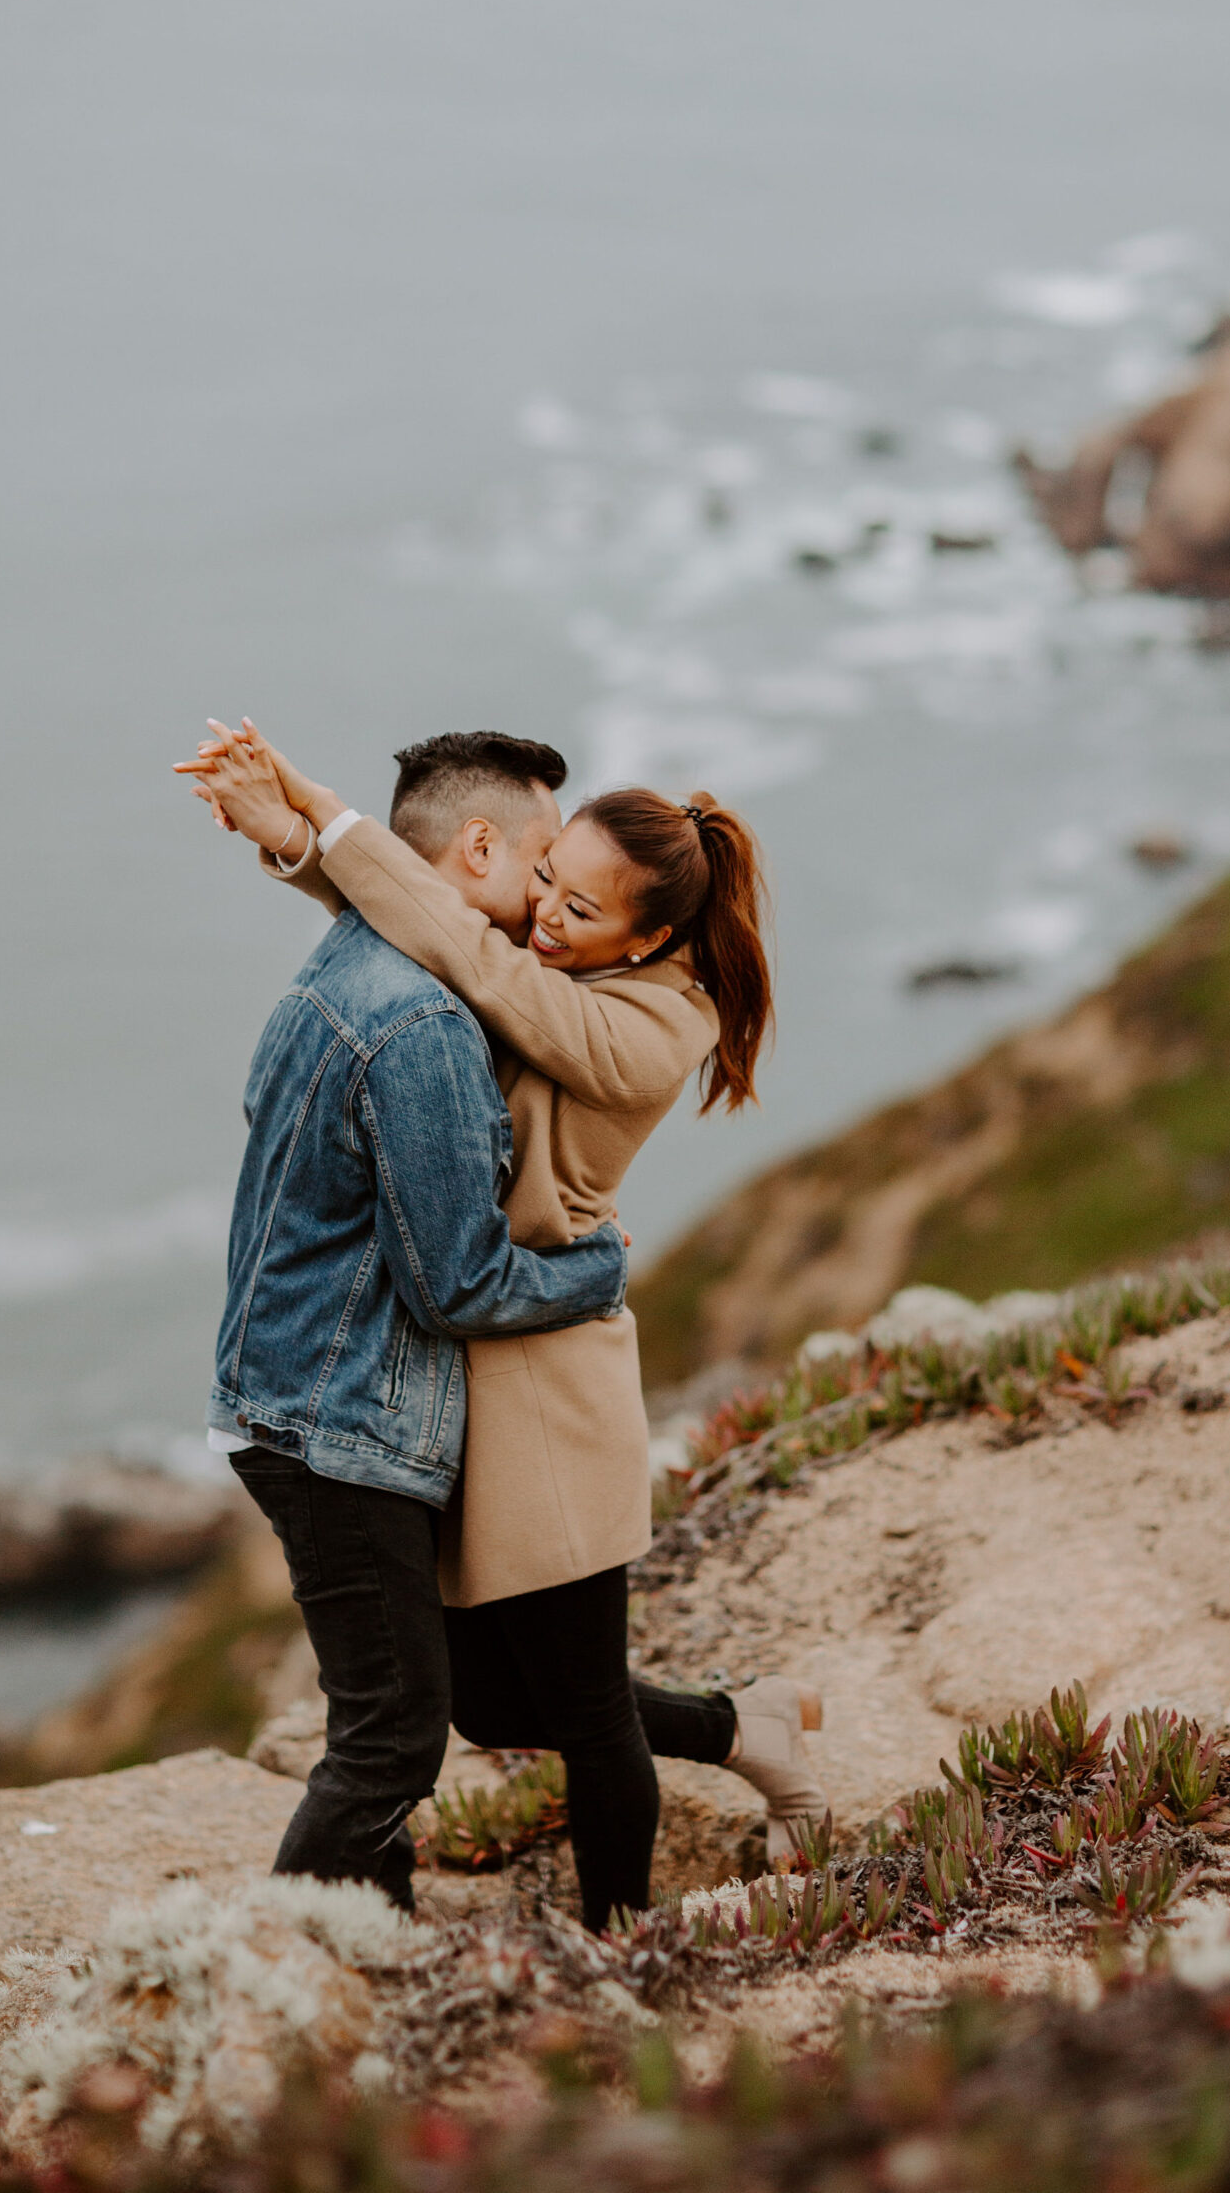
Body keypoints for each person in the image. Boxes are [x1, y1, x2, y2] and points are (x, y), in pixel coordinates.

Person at [179, 721, 829, 1929]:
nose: (543, 918)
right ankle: (744, 1721)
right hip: (481, 1347)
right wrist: (295, 828)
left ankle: (623, 1942)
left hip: (551, 1362)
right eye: (546, 882)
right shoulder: (566, 966)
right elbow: (445, 919)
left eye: (576, 907)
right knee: (482, 1702)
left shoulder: (644, 1028)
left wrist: (315, 820)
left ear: (652, 937)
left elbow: (463, 952)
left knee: (580, 1712)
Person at [190, 727, 630, 1915]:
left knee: (397, 1713)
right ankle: (276, 1965)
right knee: (392, 1739)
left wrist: (294, 835)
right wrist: (596, 1274)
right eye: (543, 863)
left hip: (278, 1396)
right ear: (478, 845)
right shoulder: (425, 1023)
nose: (550, 898)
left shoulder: (345, 960)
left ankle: (364, 1944)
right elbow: (463, 1286)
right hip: (342, 1422)